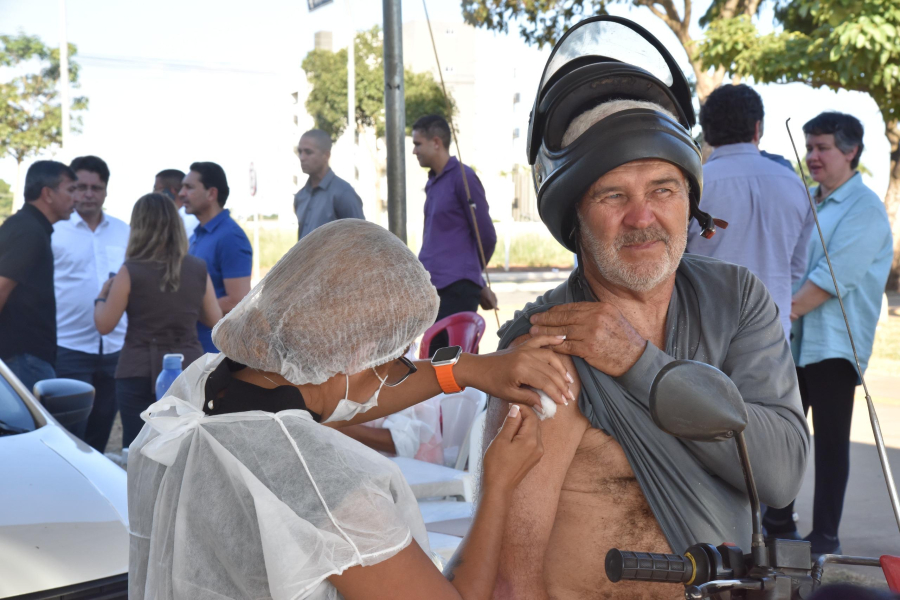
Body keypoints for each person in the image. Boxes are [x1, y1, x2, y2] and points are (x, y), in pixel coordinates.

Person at [484, 17, 810, 599]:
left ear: (690, 202)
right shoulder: (542, 352)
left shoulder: (735, 302)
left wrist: (638, 362)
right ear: (575, 218)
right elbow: (514, 571)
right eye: (613, 196)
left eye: (664, 189)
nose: (643, 217)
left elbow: (780, 474)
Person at [126, 219, 576, 600]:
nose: (399, 371)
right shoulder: (326, 488)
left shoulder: (206, 389)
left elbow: (329, 400)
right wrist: (497, 486)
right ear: (353, 353)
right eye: (395, 357)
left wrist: (466, 370)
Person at [763, 112, 893, 557]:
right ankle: (778, 523)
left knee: (832, 444)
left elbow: (831, 278)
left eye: (822, 148)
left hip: (835, 347)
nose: (813, 157)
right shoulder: (809, 199)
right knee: (781, 437)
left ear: (850, 151)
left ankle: (825, 540)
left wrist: (777, 316)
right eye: (810, 147)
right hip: (792, 342)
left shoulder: (865, 209)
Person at [94, 193, 222, 448]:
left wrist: (101, 298)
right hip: (188, 369)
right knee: (185, 449)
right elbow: (215, 320)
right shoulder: (197, 268)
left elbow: (104, 325)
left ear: (139, 227)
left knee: (139, 450)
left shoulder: (130, 270)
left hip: (138, 368)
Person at [688, 84, 815, 339]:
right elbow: (797, 268)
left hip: (705, 334)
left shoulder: (691, 186)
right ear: (758, 128)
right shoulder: (796, 186)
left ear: (708, 133)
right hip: (773, 334)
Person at [52, 155, 131, 451]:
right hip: (69, 348)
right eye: (80, 186)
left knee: (99, 436)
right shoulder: (56, 231)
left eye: (96, 188)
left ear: (106, 191)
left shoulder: (124, 231)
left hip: (115, 349)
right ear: (70, 189)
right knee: (67, 438)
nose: (88, 194)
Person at [412, 115, 498, 356]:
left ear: (436, 142)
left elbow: (487, 236)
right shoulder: (433, 182)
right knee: (430, 364)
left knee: (450, 367)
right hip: (433, 288)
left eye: (418, 144)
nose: (413, 151)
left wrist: (470, 274)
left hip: (457, 290)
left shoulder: (464, 177)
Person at [0, 161, 76, 390]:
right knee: (31, 427)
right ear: (48, 194)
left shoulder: (29, 226)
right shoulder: (28, 229)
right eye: (70, 190)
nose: (77, 197)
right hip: (22, 360)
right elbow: (2, 287)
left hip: (26, 358)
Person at [179, 161, 252, 353]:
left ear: (211, 193)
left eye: (189, 187)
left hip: (215, 355)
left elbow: (238, 300)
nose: (181, 194)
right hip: (195, 350)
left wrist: (186, 307)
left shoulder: (230, 237)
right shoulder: (196, 236)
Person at [294, 129, 364, 240]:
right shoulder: (301, 196)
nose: (302, 158)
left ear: (326, 155)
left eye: (308, 152)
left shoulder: (344, 193)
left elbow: (361, 239)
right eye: (300, 152)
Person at [153, 168, 198, 239]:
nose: (153, 193)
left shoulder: (187, 219)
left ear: (172, 190)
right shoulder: (173, 217)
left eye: (156, 188)